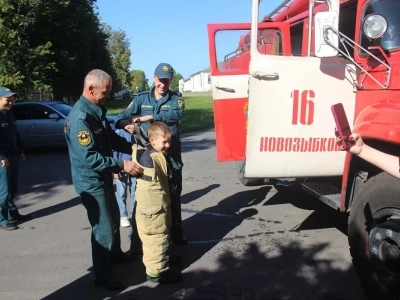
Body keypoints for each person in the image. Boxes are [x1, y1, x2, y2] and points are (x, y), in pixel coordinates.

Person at [64, 69, 144, 291]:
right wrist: (121, 164)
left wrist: (134, 149)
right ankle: (103, 275)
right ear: (91, 89)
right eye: (105, 92)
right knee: (103, 229)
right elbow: (88, 157)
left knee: (114, 217)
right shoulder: (81, 118)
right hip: (91, 182)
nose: (108, 96)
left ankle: (115, 255)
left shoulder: (96, 109)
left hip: (103, 177)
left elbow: (109, 139)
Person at [115, 63, 187, 244]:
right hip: (147, 159)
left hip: (170, 157)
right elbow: (119, 117)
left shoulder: (176, 99)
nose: (163, 84)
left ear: (171, 80)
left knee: (173, 197)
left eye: (167, 81)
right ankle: (136, 241)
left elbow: (175, 114)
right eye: (160, 80)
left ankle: (175, 236)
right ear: (154, 78)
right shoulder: (141, 99)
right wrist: (127, 124)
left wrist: (151, 117)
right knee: (143, 199)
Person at [133, 121, 181, 284]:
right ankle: (157, 273)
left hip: (153, 206)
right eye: (164, 142)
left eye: (169, 141)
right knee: (156, 237)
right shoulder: (154, 158)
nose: (168, 145)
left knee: (159, 236)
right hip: (154, 208)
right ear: (152, 140)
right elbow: (162, 182)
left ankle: (162, 261)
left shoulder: (147, 152)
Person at [0, 87, 31, 231]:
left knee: (13, 187)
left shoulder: (10, 115)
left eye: (12, 100)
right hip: (3, 158)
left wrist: (20, 151)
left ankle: (12, 214)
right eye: (8, 100)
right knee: (3, 190)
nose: (11, 102)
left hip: (13, 155)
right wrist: (1, 157)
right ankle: (2, 219)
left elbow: (16, 136)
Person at [112, 125, 137, 228]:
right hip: (121, 167)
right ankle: (123, 216)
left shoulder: (137, 132)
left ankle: (134, 214)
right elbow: (114, 151)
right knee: (121, 193)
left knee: (134, 192)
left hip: (134, 167)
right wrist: (115, 168)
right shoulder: (119, 132)